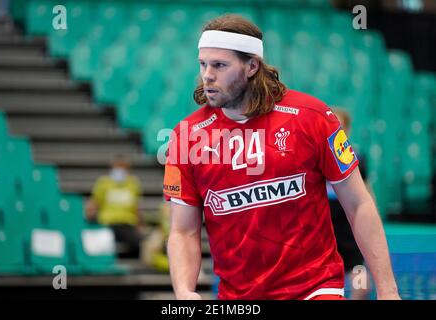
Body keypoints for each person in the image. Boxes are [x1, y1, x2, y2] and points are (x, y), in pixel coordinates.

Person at [163, 14, 400, 300]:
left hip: (315, 287)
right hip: (238, 296)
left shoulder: (313, 117)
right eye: (203, 64)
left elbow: (359, 204)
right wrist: (184, 290)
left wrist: (388, 292)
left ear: (252, 66)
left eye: (220, 65)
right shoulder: (185, 137)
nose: (207, 75)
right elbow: (183, 231)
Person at [327, 107, 371, 300]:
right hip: (322, 216)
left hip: (347, 216)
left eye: (339, 126)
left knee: (357, 267)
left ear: (346, 130)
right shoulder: (312, 152)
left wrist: (370, 217)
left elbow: (366, 190)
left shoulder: (356, 156)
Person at [86, 154, 144, 259]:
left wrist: (139, 225)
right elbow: (94, 203)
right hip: (107, 223)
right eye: (118, 166)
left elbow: (136, 207)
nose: (120, 170)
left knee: (137, 243)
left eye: (123, 167)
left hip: (126, 223)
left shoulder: (133, 184)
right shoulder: (103, 183)